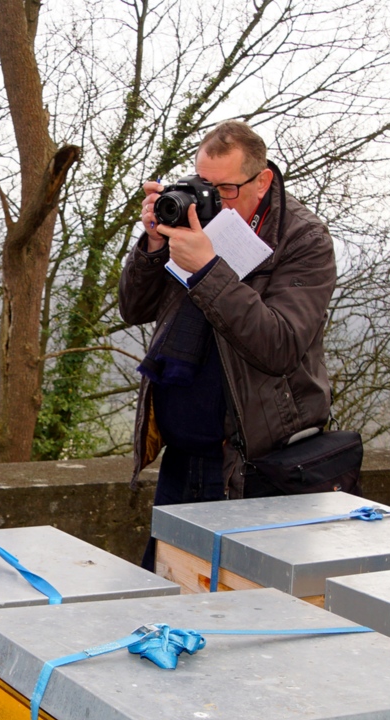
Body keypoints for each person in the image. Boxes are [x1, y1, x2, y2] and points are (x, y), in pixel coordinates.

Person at [120, 120, 337, 531]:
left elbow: (280, 345)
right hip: (181, 457)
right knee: (173, 584)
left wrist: (207, 270)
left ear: (263, 180)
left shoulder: (303, 239)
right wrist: (152, 245)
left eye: (225, 189)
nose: (212, 198)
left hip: (252, 463)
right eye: (203, 182)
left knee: (238, 591)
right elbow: (133, 308)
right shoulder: (193, 222)